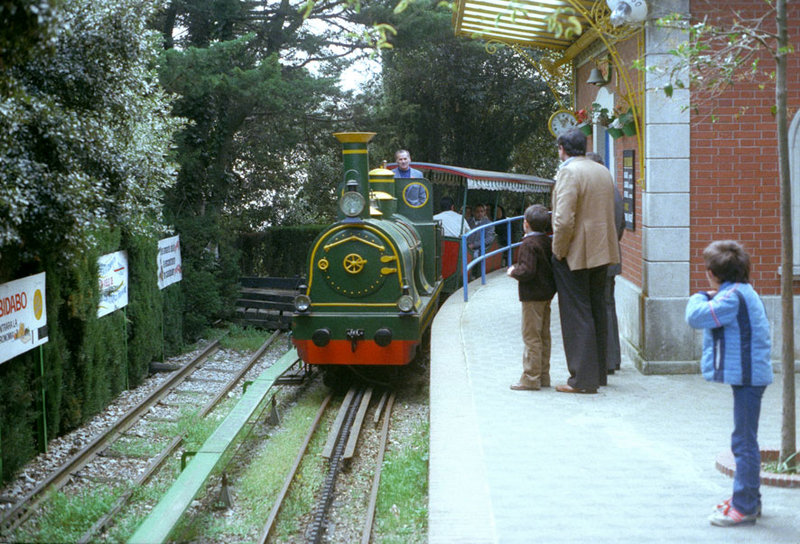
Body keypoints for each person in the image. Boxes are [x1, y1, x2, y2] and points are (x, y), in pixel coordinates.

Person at [685, 240, 771, 527]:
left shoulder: (731, 298)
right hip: (750, 377)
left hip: (749, 377)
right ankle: (749, 501)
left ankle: (744, 506)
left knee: (743, 443)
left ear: (714, 274)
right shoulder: (741, 291)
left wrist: (700, 295)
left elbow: (695, 317)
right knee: (745, 440)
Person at [550, 128, 620, 394]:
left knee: (576, 313)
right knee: (597, 309)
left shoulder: (569, 172)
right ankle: (598, 373)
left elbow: (564, 219)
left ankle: (582, 379)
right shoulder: (602, 171)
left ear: (562, 149)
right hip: (603, 251)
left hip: (577, 252)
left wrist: (558, 250)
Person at [506, 205, 556, 391]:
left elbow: (527, 270)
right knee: (544, 335)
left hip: (532, 296)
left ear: (525, 224)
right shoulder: (546, 241)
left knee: (531, 336)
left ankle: (530, 377)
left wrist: (513, 271)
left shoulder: (528, 244)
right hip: (546, 294)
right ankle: (543, 374)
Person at [586, 152, 626, 375]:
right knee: (608, 306)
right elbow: (620, 225)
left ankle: (607, 359)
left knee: (601, 307)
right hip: (612, 255)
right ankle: (613, 357)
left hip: (601, 257)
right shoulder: (614, 190)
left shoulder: (604, 191)